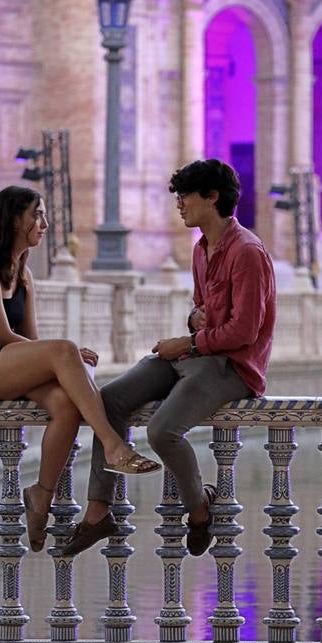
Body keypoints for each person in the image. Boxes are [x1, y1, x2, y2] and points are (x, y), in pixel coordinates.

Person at [61, 159, 276, 558]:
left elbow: (244, 332)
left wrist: (189, 342)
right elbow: (202, 311)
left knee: (162, 432)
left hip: (233, 367)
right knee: (107, 401)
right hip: (198, 352)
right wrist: (194, 327)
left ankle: (199, 510)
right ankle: (97, 512)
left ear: (212, 197)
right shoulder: (201, 249)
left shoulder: (247, 252)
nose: (179, 205)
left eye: (185, 196)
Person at [0, 185, 161, 554]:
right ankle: (112, 445)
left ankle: (41, 495)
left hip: (4, 366)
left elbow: (29, 340)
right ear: (14, 220)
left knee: (64, 404)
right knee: (64, 352)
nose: (44, 223)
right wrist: (66, 354)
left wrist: (66, 360)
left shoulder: (23, 274)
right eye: (37, 215)